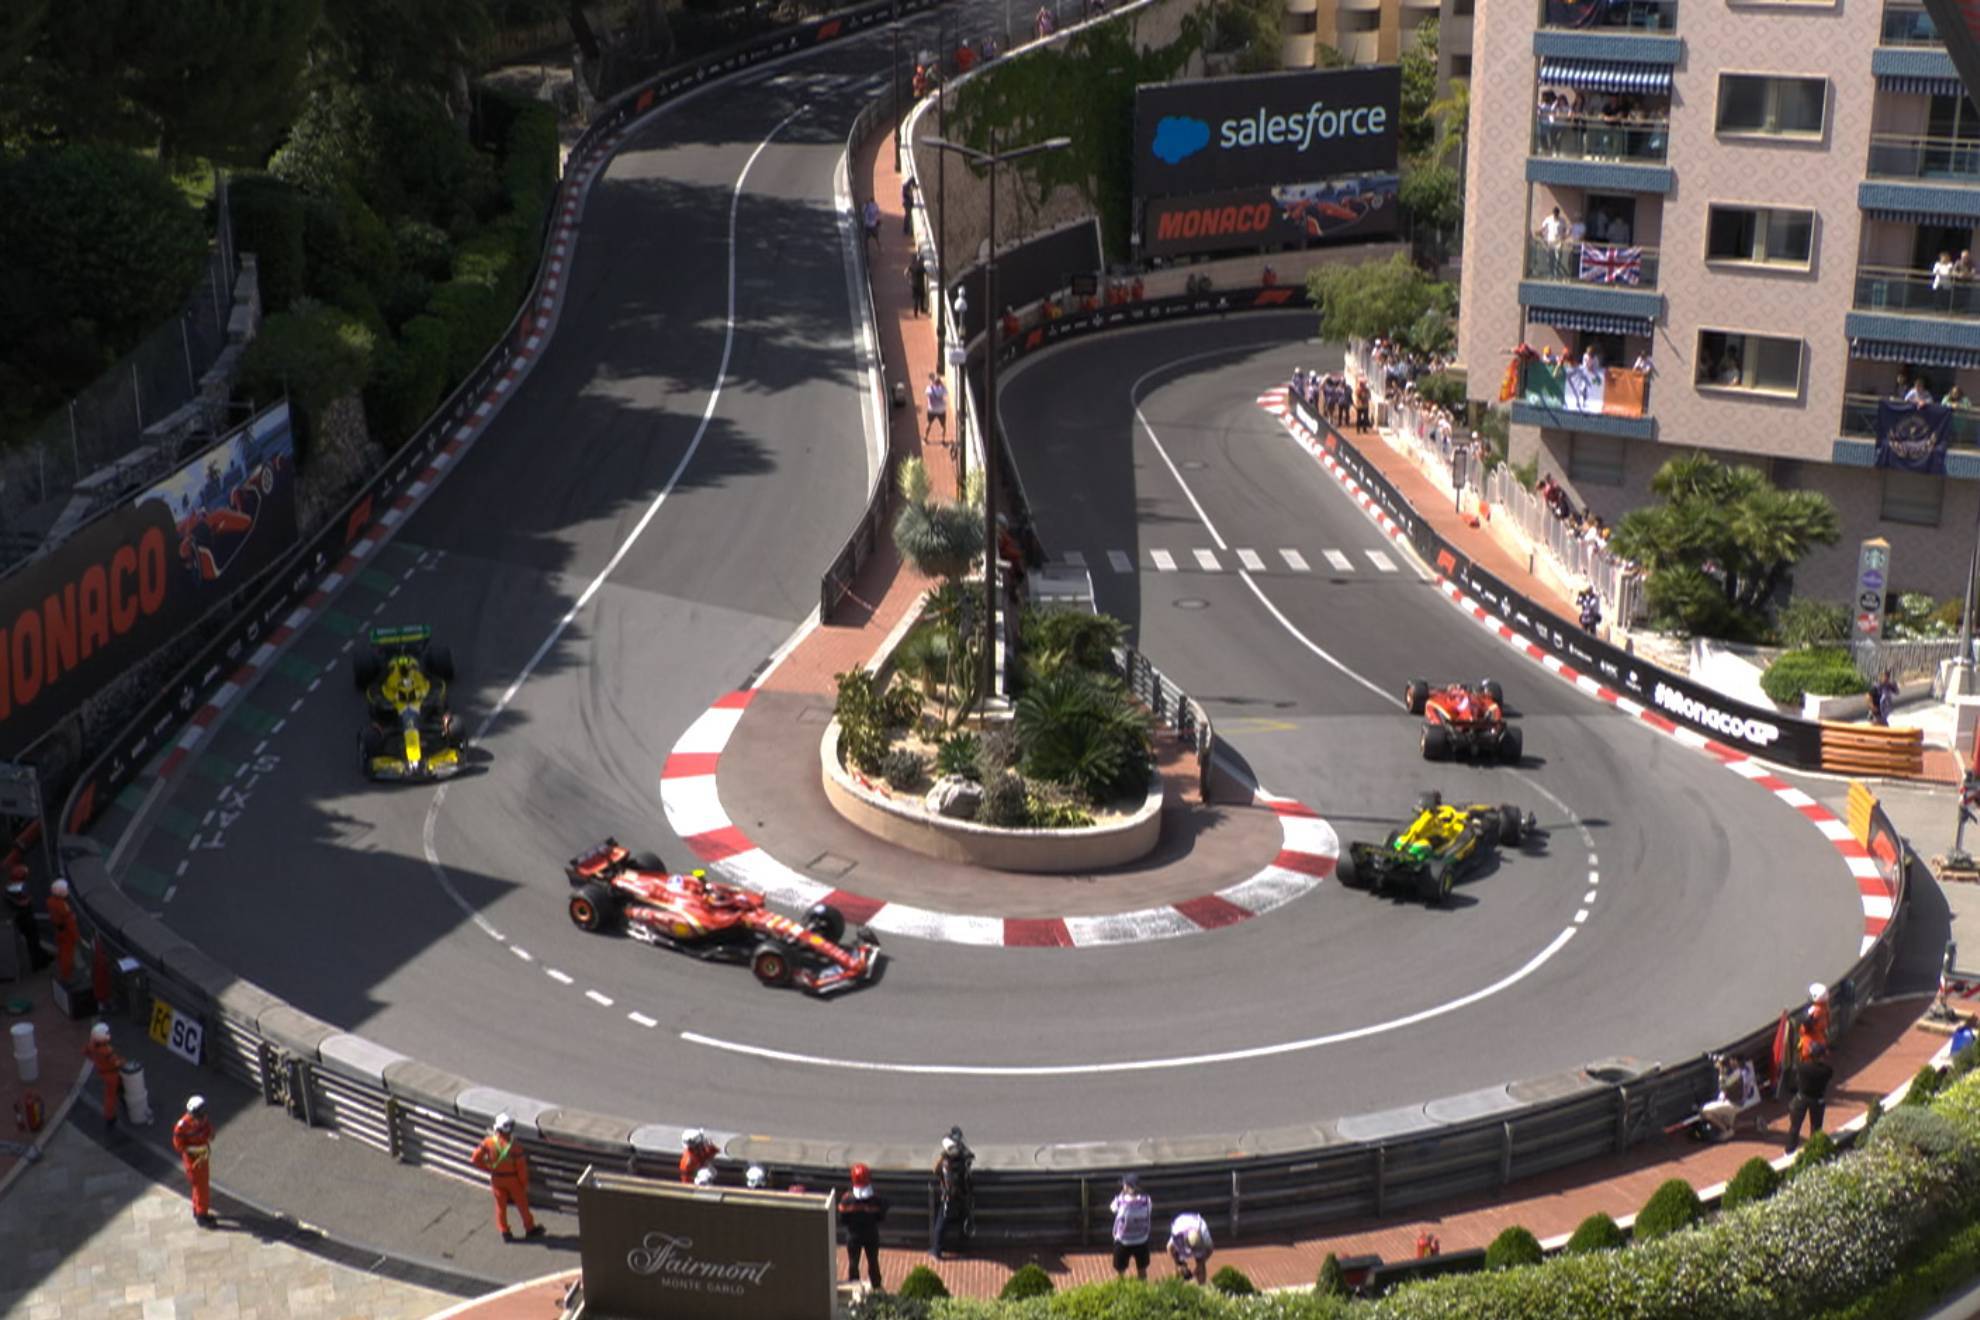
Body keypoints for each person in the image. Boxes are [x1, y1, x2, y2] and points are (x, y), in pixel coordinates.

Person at [472, 1113, 544, 1241]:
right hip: (513, 1180)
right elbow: (521, 1169)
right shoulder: (515, 1147)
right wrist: (524, 1183)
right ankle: (530, 1228)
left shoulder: (488, 1142)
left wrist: (488, 1168)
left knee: (500, 1206)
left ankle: (504, 1231)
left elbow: (475, 1158)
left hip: (496, 1179)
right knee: (522, 1204)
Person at [839, 1163, 888, 1288]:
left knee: (853, 1263)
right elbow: (881, 1216)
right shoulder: (875, 1200)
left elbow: (843, 1219)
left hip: (853, 1236)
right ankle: (876, 1287)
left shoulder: (847, 1200)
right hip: (871, 1234)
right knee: (873, 1262)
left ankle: (854, 1287)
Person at [172, 1095, 218, 1227]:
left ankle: (197, 1210)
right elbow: (179, 1145)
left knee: (199, 1186)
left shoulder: (202, 1119)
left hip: (202, 1155)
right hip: (193, 1159)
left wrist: (210, 1135)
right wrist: (194, 1150)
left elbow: (208, 1130)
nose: (202, 1118)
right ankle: (202, 1215)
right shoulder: (182, 1126)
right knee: (201, 1188)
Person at [930, 1128, 973, 1259]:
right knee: (959, 1222)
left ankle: (937, 1250)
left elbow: (936, 1171)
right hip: (959, 1195)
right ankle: (957, 1249)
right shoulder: (953, 1160)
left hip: (951, 1197)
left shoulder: (948, 1162)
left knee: (943, 1223)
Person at [1698, 1055, 1759, 1141]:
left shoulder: (1737, 1075)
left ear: (1736, 1062)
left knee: (1704, 1111)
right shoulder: (1746, 1070)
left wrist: (1721, 1071)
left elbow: (1723, 1087)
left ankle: (1726, 1131)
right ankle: (1754, 1123)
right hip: (1739, 1103)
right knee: (1730, 1123)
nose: (1730, 1062)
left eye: (1732, 1060)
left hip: (1731, 1103)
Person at [6, 867, 50, 972]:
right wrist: (29, 899)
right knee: (33, 940)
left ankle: (41, 959)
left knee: (32, 940)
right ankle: (38, 963)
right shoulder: (19, 888)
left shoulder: (10, 887)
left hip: (22, 918)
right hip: (26, 917)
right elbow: (23, 902)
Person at [1110, 1173, 1153, 1279]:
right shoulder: (1146, 1200)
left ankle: (1121, 1287)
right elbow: (1149, 1210)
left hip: (1123, 1240)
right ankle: (1143, 1286)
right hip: (1141, 1239)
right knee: (1142, 1269)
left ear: (1128, 1186)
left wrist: (1121, 1194)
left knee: (1120, 1270)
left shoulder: (1120, 1201)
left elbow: (1112, 1208)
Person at [84, 1022, 122, 1129]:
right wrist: (123, 1061)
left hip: (102, 1072)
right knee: (110, 1096)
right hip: (111, 1074)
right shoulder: (107, 1051)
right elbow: (116, 1062)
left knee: (114, 1091)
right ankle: (110, 1117)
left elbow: (86, 1052)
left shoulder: (92, 1045)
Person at [1167, 1211, 1214, 1283]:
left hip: (1196, 1225)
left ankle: (1202, 1285)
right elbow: (1169, 1248)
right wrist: (1178, 1263)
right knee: (1179, 1264)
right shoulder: (1177, 1233)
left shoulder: (1204, 1234)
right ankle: (1178, 1284)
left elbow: (1210, 1250)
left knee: (1200, 1262)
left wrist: (1200, 1264)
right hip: (1182, 1225)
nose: (1192, 1251)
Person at [47, 877, 77, 983]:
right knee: (67, 955)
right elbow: (68, 920)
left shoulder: (51, 902)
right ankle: (67, 976)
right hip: (66, 933)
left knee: (62, 952)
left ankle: (65, 973)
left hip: (60, 932)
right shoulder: (61, 906)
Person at [923, 371, 949, 443]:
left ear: (934, 382)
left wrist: (931, 384)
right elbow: (946, 393)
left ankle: (925, 438)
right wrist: (942, 385)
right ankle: (943, 440)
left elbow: (926, 393)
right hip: (941, 410)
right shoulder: (942, 389)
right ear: (939, 382)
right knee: (943, 426)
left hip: (932, 410)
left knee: (929, 423)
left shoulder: (929, 388)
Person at [907, 249, 928, 317]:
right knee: (922, 296)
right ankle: (922, 309)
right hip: (920, 285)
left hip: (913, 284)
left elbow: (906, 272)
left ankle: (915, 312)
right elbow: (926, 272)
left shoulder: (913, 265)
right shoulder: (921, 268)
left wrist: (909, 279)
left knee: (916, 299)